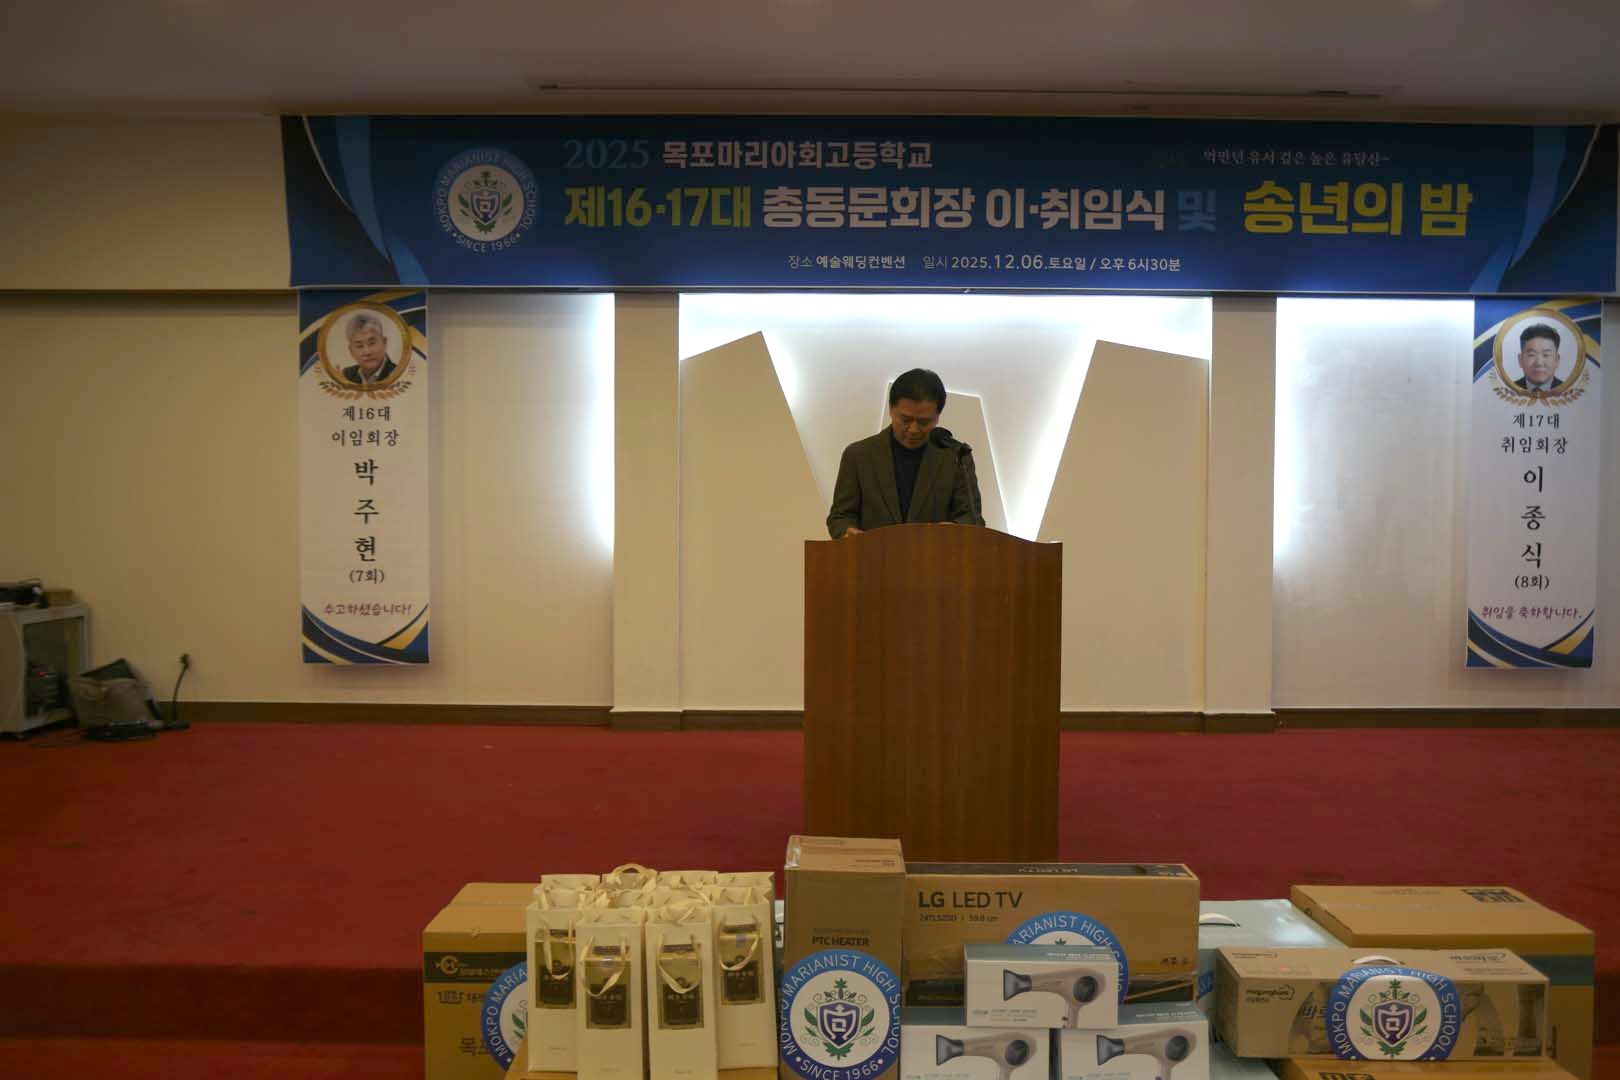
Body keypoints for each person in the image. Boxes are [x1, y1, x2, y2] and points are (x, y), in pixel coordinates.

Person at [826, 368, 986, 539]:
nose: (913, 429)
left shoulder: (956, 457)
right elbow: (840, 517)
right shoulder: (858, 455)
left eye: (924, 422)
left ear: (937, 416)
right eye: (905, 420)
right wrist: (847, 531)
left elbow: (972, 519)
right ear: (891, 410)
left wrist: (954, 529)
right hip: (874, 554)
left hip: (935, 554)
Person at [340, 312, 399, 385]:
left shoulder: (398, 373)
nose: (367, 352)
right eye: (360, 346)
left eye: (372, 343)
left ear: (384, 342)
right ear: (351, 350)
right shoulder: (346, 375)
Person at [1512, 324, 1564, 392]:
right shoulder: (1510, 390)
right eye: (1532, 355)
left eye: (1546, 355)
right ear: (1520, 360)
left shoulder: (1568, 390)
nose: (1539, 363)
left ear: (1557, 360)